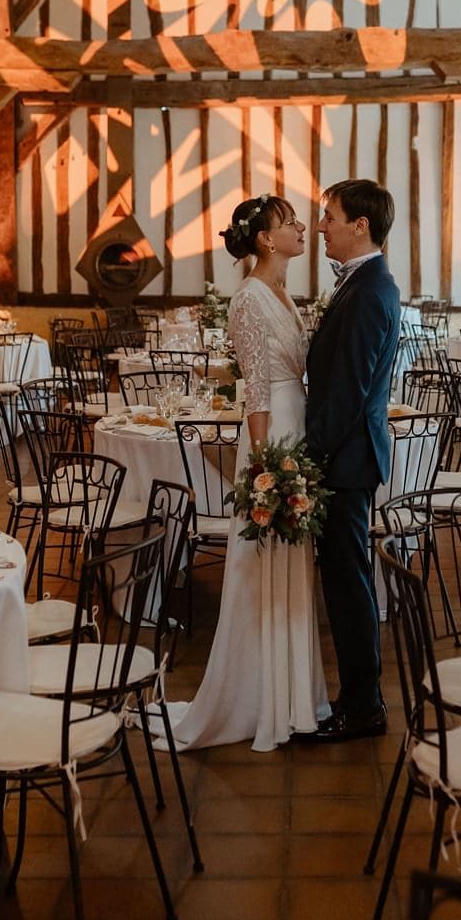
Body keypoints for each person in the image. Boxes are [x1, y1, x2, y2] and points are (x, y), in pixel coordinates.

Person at [168, 194, 329, 753]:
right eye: (289, 223)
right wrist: (267, 470)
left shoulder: (283, 292)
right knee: (265, 560)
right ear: (265, 238)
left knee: (292, 563)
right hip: (271, 438)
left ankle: (292, 691)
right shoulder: (248, 299)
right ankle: (260, 696)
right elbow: (255, 389)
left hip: (295, 425)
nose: (302, 228)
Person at [301, 179, 401, 743]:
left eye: (329, 217)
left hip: (345, 459)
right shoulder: (363, 285)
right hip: (348, 457)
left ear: (359, 225)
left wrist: (309, 460)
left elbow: (347, 391)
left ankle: (363, 705)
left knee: (348, 584)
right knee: (345, 580)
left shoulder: (367, 292)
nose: (322, 227)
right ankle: (359, 700)